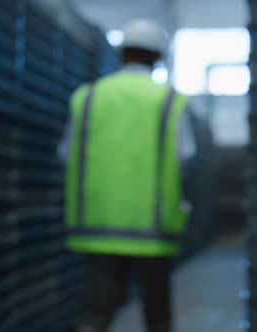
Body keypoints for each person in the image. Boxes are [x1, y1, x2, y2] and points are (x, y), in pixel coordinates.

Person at [61, 19, 196, 332]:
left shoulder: (87, 97)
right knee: (157, 314)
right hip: (153, 228)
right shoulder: (170, 101)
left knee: (96, 310)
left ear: (121, 54)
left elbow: (66, 154)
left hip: (97, 224)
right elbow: (184, 158)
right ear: (157, 58)